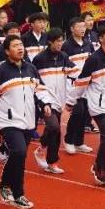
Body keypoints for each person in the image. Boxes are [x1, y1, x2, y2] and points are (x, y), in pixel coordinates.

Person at [0, 35, 55, 209]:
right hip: (7, 120)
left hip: (28, 120)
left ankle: (5, 185)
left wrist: (46, 104)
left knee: (19, 156)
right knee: (19, 151)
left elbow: (40, 89)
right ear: (6, 51)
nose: (20, 48)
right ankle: (18, 193)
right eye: (15, 46)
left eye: (21, 45)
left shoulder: (30, 68)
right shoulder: (1, 72)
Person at [67, 24, 105, 188]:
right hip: (99, 105)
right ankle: (98, 167)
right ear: (100, 39)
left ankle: (104, 172)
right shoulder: (94, 59)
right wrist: (71, 101)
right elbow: (82, 82)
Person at [32, 28, 75, 174]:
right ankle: (43, 152)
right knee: (54, 127)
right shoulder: (39, 59)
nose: (60, 44)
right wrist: (41, 99)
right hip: (45, 100)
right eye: (58, 41)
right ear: (50, 42)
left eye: (62, 40)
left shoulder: (64, 56)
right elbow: (34, 80)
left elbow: (74, 72)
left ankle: (50, 160)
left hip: (59, 100)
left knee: (55, 131)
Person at [61, 16, 96, 155]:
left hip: (87, 84)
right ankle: (69, 140)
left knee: (85, 113)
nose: (83, 29)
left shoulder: (88, 43)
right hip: (73, 84)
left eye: (83, 26)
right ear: (72, 29)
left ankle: (79, 142)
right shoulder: (66, 46)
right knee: (78, 111)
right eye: (79, 27)